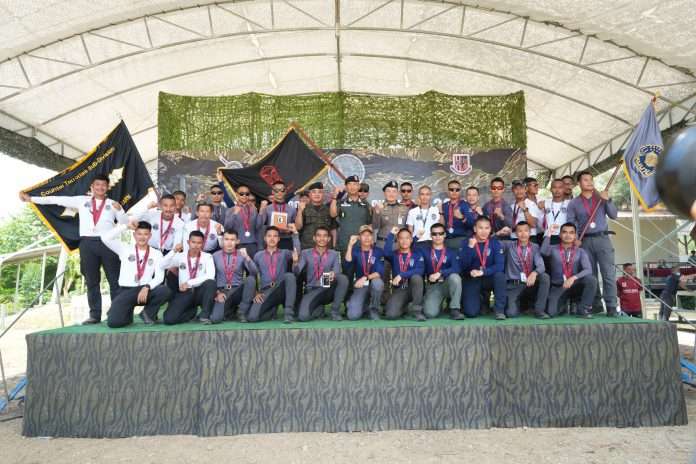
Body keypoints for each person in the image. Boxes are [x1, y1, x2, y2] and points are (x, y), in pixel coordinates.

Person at [20, 174, 128, 324]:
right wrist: (31, 198)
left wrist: (120, 210)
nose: (100, 187)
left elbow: (125, 222)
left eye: (103, 185)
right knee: (91, 280)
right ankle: (94, 315)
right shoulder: (81, 200)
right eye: (97, 184)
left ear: (107, 187)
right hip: (87, 243)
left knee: (114, 280)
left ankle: (117, 313)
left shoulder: (113, 204)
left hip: (108, 243)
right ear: (92, 187)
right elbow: (55, 199)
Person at [567, 170, 618, 316]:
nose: (589, 182)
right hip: (585, 241)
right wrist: (575, 238)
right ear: (579, 183)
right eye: (585, 180)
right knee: (590, 274)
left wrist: (608, 200)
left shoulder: (601, 197)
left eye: (591, 179)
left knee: (608, 273)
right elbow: (571, 223)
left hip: (603, 239)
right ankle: (596, 304)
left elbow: (614, 215)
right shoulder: (574, 203)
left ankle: (612, 306)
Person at [101, 221, 172, 328]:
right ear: (134, 235)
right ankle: (125, 313)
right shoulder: (124, 248)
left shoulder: (157, 254)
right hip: (126, 291)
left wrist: (147, 286)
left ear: (150, 235)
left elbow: (159, 277)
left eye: (145, 234)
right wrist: (125, 226)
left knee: (164, 290)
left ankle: (147, 313)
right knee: (114, 323)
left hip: (145, 291)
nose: (142, 237)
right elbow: (105, 238)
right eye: (139, 234)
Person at [160, 230, 217, 325]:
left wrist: (189, 283)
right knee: (169, 320)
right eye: (193, 242)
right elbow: (161, 265)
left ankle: (204, 315)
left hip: (199, 292)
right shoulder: (180, 256)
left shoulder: (207, 257)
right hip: (185, 293)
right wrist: (173, 251)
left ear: (203, 244)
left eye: (199, 243)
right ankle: (191, 313)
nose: (196, 245)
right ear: (188, 242)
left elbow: (210, 275)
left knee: (211, 283)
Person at [541, 222, 597, 318]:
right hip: (559, 286)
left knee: (591, 280)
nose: (568, 235)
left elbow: (588, 270)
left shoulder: (580, 251)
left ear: (575, 236)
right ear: (560, 235)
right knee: (551, 312)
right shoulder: (553, 249)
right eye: (564, 232)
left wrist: (573, 278)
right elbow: (543, 251)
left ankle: (583, 308)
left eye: (571, 233)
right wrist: (549, 233)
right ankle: (563, 305)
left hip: (575, 285)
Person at [295, 226, 349, 321]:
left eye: (325, 236)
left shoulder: (334, 254)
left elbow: (337, 271)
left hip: (327, 289)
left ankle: (335, 311)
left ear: (329, 239)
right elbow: (297, 272)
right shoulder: (305, 253)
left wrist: (333, 274)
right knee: (303, 317)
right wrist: (295, 262)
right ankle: (318, 309)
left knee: (343, 279)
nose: (322, 238)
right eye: (319, 236)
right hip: (312, 290)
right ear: (314, 238)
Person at [248, 226, 299, 323]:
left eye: (275, 236)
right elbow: (253, 275)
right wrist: (256, 292)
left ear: (279, 239)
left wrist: (295, 234)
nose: (272, 238)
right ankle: (272, 311)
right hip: (266, 291)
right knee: (252, 317)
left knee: (289, 276)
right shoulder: (258, 255)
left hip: (281, 289)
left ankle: (288, 313)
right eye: (269, 236)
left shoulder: (285, 253)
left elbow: (297, 252)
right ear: (265, 238)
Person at [460, 216, 507, 319]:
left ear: (490, 229)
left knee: (500, 276)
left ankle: (499, 310)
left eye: (487, 228)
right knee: (471, 313)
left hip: (489, 277)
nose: (484, 231)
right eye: (480, 228)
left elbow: (500, 266)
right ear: (475, 229)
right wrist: (470, 248)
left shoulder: (495, 243)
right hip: (472, 278)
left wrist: (484, 272)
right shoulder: (466, 242)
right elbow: (463, 266)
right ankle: (482, 301)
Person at [209, 230, 258, 324]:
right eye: (226, 239)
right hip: (222, 292)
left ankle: (242, 311)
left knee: (250, 279)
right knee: (215, 319)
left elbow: (254, 272)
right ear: (222, 240)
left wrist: (247, 257)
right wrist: (217, 292)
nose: (229, 242)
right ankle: (230, 311)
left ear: (237, 241)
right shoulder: (215, 256)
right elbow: (211, 277)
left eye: (232, 240)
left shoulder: (241, 254)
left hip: (237, 290)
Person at [504, 222, 550, 319]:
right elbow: (491, 242)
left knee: (544, 277)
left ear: (530, 233)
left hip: (530, 283)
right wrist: (497, 233)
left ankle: (539, 310)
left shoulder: (535, 247)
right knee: (511, 314)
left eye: (526, 231)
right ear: (515, 234)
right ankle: (519, 306)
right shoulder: (508, 245)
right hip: (515, 285)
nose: (523, 234)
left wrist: (534, 273)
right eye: (520, 231)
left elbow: (541, 266)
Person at [383, 227, 426, 320]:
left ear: (411, 240)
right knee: (391, 315)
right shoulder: (394, 254)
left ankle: (417, 311)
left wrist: (401, 275)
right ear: (398, 240)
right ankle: (406, 307)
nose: (404, 241)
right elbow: (386, 253)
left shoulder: (417, 254)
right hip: (400, 289)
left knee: (416, 278)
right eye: (401, 238)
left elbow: (420, 270)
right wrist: (391, 234)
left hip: (414, 288)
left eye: (407, 238)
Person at [422, 223, 463, 319]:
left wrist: (440, 273)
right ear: (430, 235)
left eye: (440, 233)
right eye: (434, 234)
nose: (438, 236)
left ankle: (455, 309)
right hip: (433, 286)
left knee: (455, 277)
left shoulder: (452, 251)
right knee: (430, 314)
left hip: (447, 284)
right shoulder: (424, 251)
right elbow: (409, 245)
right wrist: (416, 237)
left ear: (444, 234)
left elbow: (457, 268)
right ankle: (437, 304)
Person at [344, 225, 385, 320]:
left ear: (372, 237)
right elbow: (347, 265)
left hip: (372, 283)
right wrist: (350, 246)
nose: (366, 238)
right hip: (360, 285)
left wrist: (365, 277)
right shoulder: (355, 251)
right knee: (353, 316)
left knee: (378, 283)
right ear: (359, 237)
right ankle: (364, 305)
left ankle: (374, 310)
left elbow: (379, 272)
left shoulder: (378, 251)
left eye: (369, 235)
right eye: (363, 235)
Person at [330, 175, 372, 255]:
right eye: (349, 184)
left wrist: (370, 242)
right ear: (346, 187)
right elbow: (332, 214)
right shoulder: (340, 203)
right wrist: (334, 197)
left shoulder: (366, 205)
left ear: (359, 186)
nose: (352, 187)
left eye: (355, 184)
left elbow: (369, 225)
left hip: (361, 246)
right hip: (344, 245)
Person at [258, 180, 297, 250]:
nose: (279, 193)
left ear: (286, 191)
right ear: (272, 192)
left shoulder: (292, 209)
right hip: (271, 241)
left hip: (286, 240)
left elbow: (296, 227)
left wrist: (290, 230)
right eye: (276, 190)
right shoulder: (267, 208)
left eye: (282, 190)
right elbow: (259, 225)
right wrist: (261, 210)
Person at [295, 182, 335, 250]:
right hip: (308, 247)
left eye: (320, 192)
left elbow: (333, 230)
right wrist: (300, 210)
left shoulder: (329, 209)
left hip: (326, 248)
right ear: (309, 194)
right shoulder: (303, 209)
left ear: (323, 194)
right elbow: (298, 227)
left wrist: (334, 246)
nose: (317, 194)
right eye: (314, 192)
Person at [224, 184, 261, 257]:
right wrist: (234, 214)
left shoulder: (253, 210)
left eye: (247, 194)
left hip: (252, 244)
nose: (244, 196)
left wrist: (261, 213)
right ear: (237, 194)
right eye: (241, 194)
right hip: (237, 244)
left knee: (252, 264)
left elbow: (258, 227)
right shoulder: (230, 210)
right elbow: (227, 228)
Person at [372, 181, 410, 248]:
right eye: (388, 191)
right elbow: (375, 226)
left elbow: (408, 228)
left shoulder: (405, 208)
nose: (391, 194)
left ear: (397, 193)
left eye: (394, 191)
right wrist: (377, 212)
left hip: (399, 246)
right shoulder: (379, 207)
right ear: (384, 193)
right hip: (383, 244)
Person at [440, 180, 476, 249]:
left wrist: (462, 217)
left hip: (461, 240)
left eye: (457, 190)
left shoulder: (465, 205)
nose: (454, 192)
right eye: (451, 189)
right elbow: (441, 225)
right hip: (446, 240)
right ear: (447, 191)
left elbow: (472, 225)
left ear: (460, 191)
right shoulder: (444, 206)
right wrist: (441, 212)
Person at [406, 185, 441, 250]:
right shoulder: (412, 211)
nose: (425, 197)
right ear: (419, 196)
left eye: (427, 194)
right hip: (417, 243)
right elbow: (410, 230)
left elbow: (440, 227)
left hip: (432, 242)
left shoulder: (436, 210)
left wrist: (441, 212)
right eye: (422, 194)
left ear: (430, 196)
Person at [540, 179, 570, 246]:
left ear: (564, 189)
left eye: (560, 187)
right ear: (550, 189)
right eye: (554, 187)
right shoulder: (544, 203)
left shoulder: (569, 204)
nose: (557, 190)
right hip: (548, 236)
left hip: (564, 237)